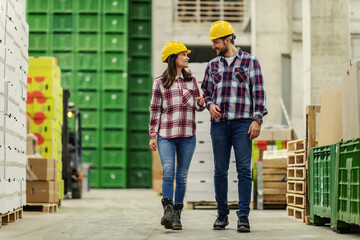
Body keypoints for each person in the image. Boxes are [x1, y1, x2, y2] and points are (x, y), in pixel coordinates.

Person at [201, 21, 268, 232]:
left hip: (243, 124)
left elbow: (259, 93)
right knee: (220, 170)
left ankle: (243, 217)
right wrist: (210, 105)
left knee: (244, 171)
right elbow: (206, 93)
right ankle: (222, 214)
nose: (214, 46)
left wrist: (257, 119)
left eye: (216, 42)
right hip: (219, 125)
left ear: (227, 39)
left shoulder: (250, 61)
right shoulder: (212, 65)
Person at [149, 41, 205, 230]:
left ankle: (177, 215)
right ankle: (168, 211)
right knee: (168, 171)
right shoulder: (160, 83)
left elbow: (199, 107)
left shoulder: (192, 81)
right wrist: (152, 135)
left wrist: (200, 101)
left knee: (181, 176)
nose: (187, 57)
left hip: (188, 135)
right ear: (174, 58)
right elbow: (155, 109)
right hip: (166, 134)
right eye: (184, 54)